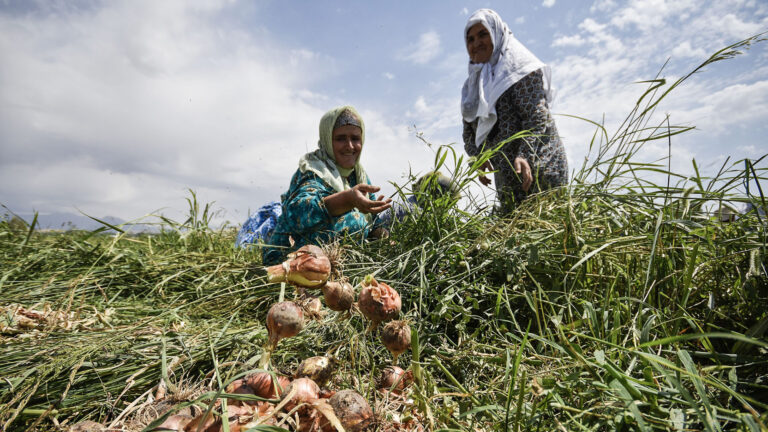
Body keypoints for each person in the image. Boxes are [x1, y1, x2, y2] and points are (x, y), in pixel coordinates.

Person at [461, 9, 568, 213]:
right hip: (507, 176)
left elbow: (536, 118)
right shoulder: (473, 87)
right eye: (470, 39)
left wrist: (525, 154)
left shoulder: (520, 68)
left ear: (496, 33)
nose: (476, 43)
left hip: (540, 165)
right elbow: (468, 131)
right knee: (516, 235)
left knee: (550, 227)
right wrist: (478, 158)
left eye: (483, 34)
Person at [262, 106, 391, 265]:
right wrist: (348, 199)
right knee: (353, 220)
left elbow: (373, 220)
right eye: (340, 138)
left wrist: (384, 238)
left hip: (337, 263)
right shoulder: (313, 170)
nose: (349, 146)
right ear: (327, 139)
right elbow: (297, 213)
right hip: (288, 261)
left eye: (355, 139)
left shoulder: (358, 175)